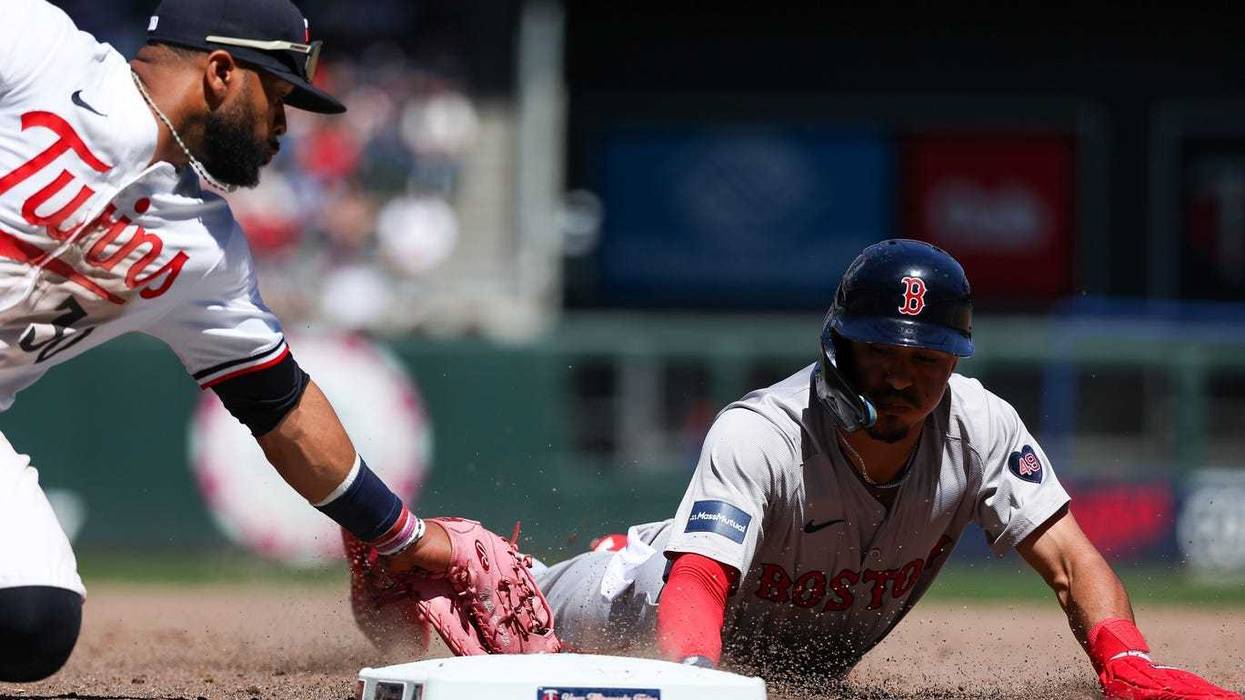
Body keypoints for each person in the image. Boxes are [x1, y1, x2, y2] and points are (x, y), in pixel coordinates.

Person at [530, 240, 1240, 698]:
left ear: (953, 362)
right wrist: (694, 682)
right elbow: (698, 579)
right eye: (880, 352)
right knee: (513, 601)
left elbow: (1070, 560)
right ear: (838, 345)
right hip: (641, 604)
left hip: (782, 671)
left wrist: (1124, 659)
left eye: (924, 360)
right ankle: (444, 549)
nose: (900, 379)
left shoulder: (978, 425)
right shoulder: (762, 431)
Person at [0, 0, 454, 682]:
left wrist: (398, 534)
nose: (283, 127)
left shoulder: (208, 252)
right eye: (277, 96)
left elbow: (279, 404)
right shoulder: (40, 49)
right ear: (220, 72)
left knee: (35, 622)